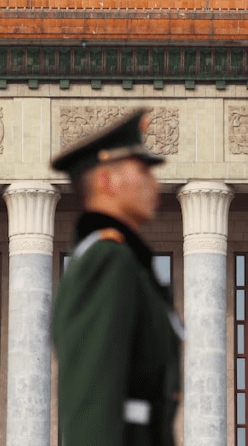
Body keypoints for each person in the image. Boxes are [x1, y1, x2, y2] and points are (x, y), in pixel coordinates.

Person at [51, 109, 181, 446]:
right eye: (143, 171)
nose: (157, 183)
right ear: (107, 181)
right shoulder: (107, 260)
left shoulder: (125, 260)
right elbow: (92, 403)